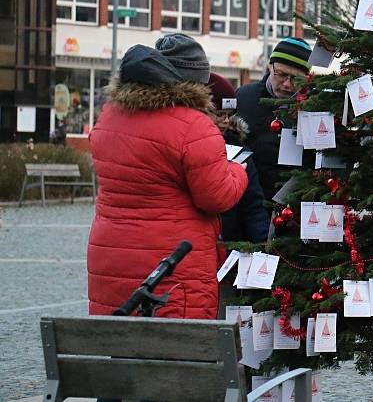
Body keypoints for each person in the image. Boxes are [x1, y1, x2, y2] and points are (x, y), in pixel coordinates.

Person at [87, 34, 248, 320]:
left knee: (120, 348)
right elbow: (217, 196)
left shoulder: (110, 115)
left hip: (111, 258)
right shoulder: (194, 125)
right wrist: (237, 170)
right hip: (172, 265)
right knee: (178, 353)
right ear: (196, 82)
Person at [236, 37, 313, 200]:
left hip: (295, 204)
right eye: (281, 74)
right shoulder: (244, 97)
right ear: (270, 67)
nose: (287, 84)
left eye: (296, 79)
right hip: (248, 199)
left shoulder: (314, 108)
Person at [207, 72, 270, 243]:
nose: (225, 121)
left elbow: (253, 206)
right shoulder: (187, 148)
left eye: (229, 115)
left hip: (230, 246)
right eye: (219, 114)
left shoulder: (240, 151)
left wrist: (264, 245)